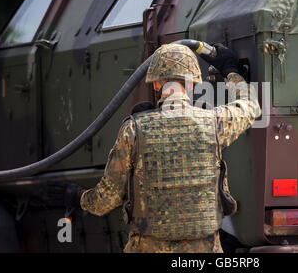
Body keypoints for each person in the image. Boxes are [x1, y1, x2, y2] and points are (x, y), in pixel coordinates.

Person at [61, 43, 261, 253]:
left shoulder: (134, 130)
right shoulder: (215, 123)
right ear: (192, 84)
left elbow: (106, 199)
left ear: (156, 85)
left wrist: (78, 197)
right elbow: (250, 105)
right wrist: (230, 70)